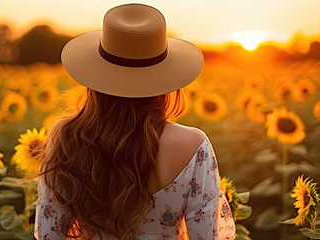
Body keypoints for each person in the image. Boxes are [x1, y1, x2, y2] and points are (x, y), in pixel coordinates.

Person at [35, 3, 236, 239]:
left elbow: (49, 234)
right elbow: (208, 236)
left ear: (97, 76)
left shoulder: (66, 140)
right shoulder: (193, 145)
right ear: (165, 78)